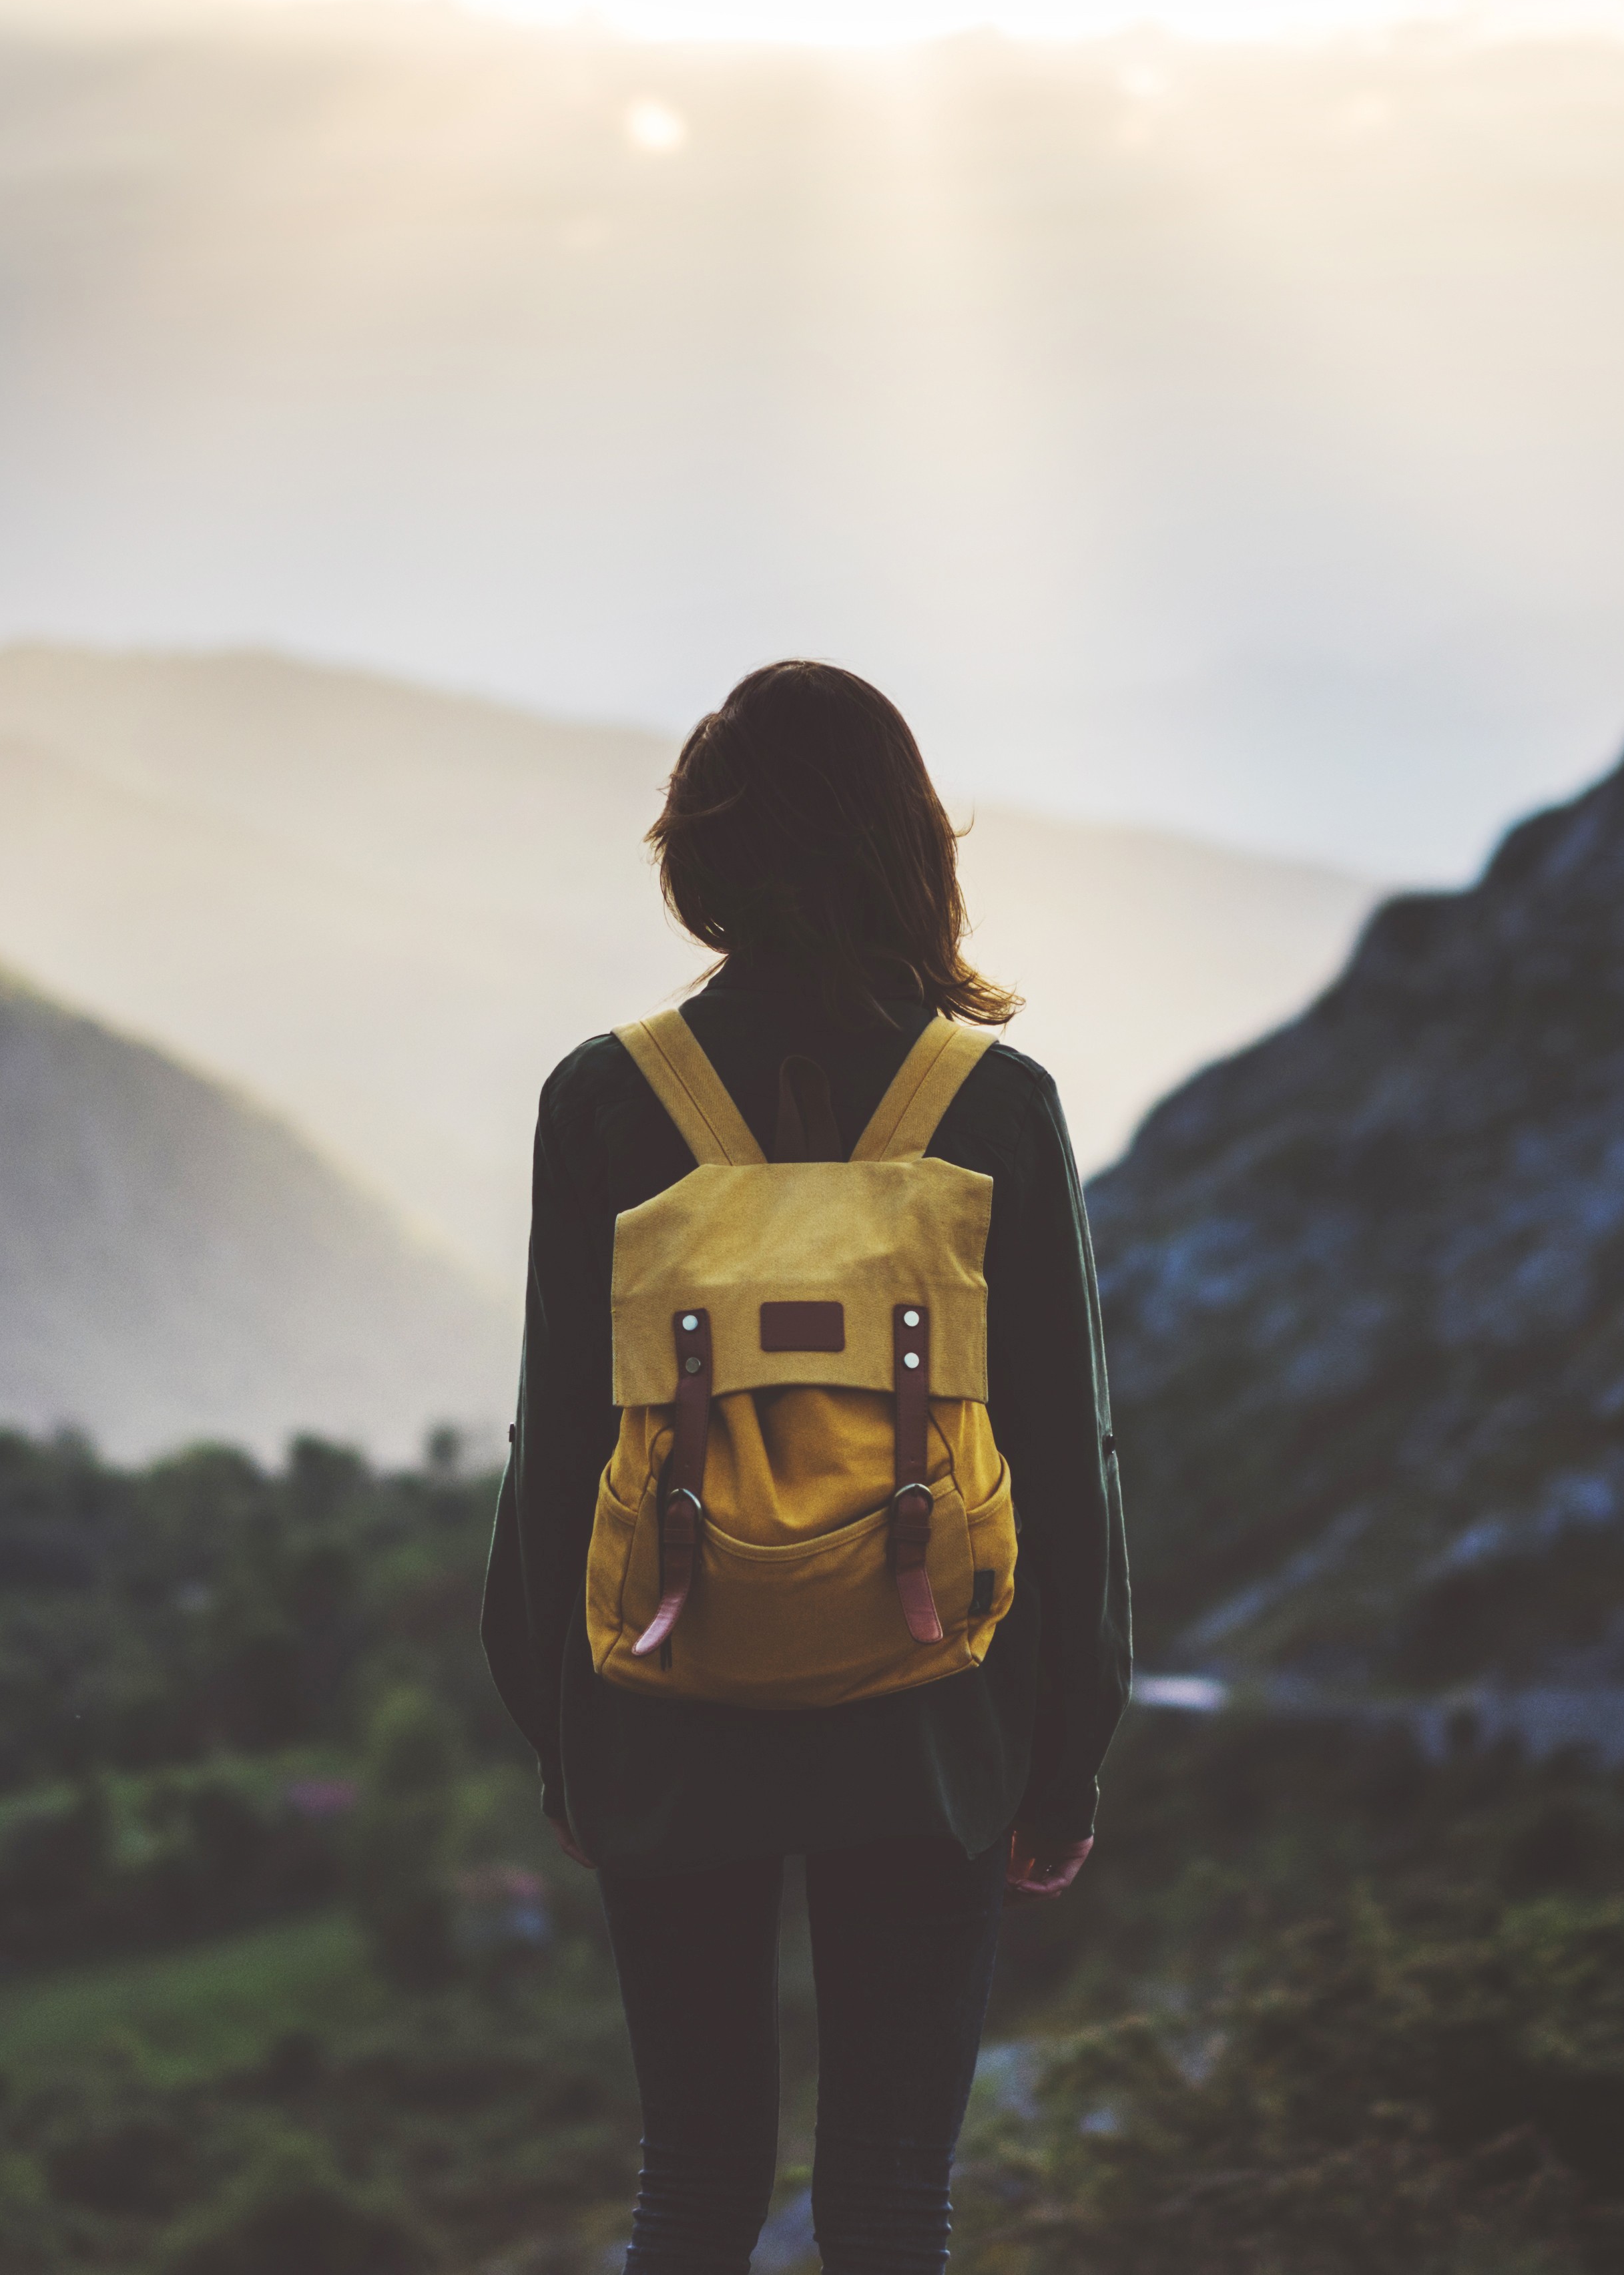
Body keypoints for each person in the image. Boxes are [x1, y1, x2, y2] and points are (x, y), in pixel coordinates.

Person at [483, 660, 1131, 2275]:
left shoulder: (606, 1098)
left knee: (694, 2180)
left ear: (700, 851)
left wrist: (564, 1732)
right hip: (927, 1709)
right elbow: (1067, 1450)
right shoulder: (994, 1106)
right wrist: (1064, 1754)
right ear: (911, 845)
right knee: (892, 2199)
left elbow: (555, 1439)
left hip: (664, 1686)